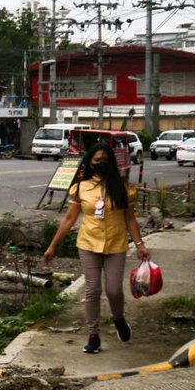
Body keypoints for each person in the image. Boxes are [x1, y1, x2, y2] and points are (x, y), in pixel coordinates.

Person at [44, 142, 149, 354]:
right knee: (92, 290)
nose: (101, 163)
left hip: (116, 245)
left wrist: (140, 244)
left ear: (111, 162)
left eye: (105, 160)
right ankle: (93, 335)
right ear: (90, 163)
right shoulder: (81, 187)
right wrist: (52, 245)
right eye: (97, 160)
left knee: (113, 289)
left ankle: (118, 319)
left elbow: (129, 218)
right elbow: (69, 219)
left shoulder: (122, 187)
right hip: (88, 243)